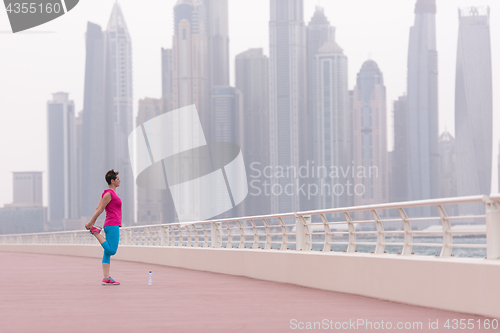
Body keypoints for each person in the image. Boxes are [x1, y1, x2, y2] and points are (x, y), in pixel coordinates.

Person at [85, 169, 122, 285]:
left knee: (107, 252)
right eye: (117, 179)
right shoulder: (109, 194)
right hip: (112, 224)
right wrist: (91, 223)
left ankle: (106, 278)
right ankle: (95, 232)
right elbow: (100, 210)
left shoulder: (107, 193)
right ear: (112, 181)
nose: (119, 180)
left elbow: (97, 208)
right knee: (112, 250)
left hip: (111, 224)